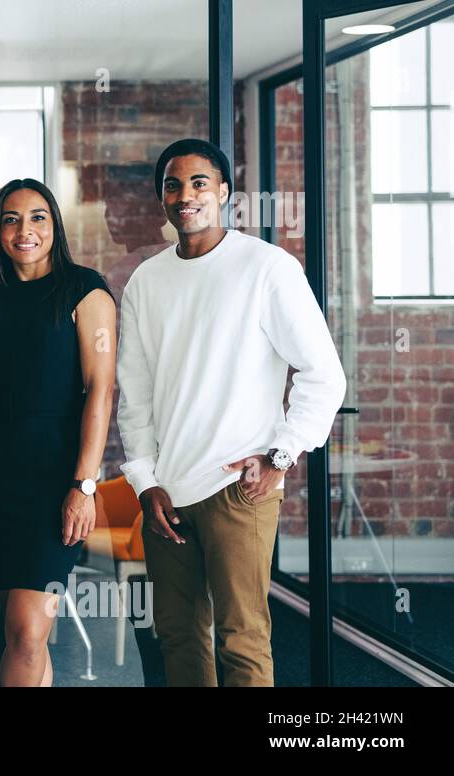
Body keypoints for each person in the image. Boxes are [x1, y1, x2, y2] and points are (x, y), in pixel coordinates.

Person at [118, 138, 347, 686]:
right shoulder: (146, 280)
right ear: (162, 198)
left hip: (237, 489)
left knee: (242, 641)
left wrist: (281, 457)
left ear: (223, 191)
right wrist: (146, 484)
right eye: (173, 185)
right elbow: (135, 394)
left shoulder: (266, 267)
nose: (185, 195)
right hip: (167, 495)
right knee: (178, 638)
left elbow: (324, 373)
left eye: (199, 183)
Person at [0, 178, 117, 687]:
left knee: (26, 631)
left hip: (56, 479)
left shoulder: (85, 290)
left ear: (55, 226)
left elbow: (101, 390)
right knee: (22, 633)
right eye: (11, 219)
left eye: (37, 218)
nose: (24, 230)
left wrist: (84, 485)